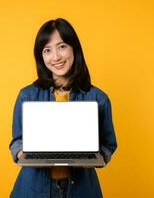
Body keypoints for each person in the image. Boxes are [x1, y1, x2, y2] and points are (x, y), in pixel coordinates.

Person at [9, 18, 117, 198]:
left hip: (82, 190)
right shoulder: (26, 96)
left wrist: (96, 157)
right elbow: (17, 140)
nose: (56, 57)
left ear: (74, 48)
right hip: (33, 189)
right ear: (41, 57)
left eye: (62, 47)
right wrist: (24, 153)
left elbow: (109, 144)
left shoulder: (98, 98)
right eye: (47, 50)